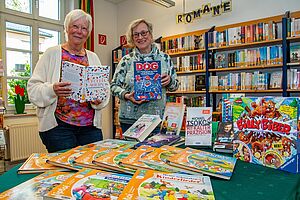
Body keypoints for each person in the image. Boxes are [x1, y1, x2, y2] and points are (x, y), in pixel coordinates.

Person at [27, 9, 109, 153]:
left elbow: (104, 88)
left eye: (84, 28)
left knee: (91, 168)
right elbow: (33, 89)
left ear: (88, 33)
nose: (79, 31)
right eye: (75, 26)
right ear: (66, 28)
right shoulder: (51, 53)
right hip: (59, 128)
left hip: (90, 128)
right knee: (64, 171)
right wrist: (52, 89)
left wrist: (99, 99)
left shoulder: (93, 57)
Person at [111, 19, 179, 133]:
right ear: (132, 38)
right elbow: (113, 86)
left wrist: (170, 81)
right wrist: (127, 95)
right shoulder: (126, 60)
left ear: (151, 35)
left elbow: (175, 86)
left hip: (156, 120)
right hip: (129, 120)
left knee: (155, 151)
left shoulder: (165, 58)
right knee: (133, 151)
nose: (140, 37)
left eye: (144, 33)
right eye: (136, 34)